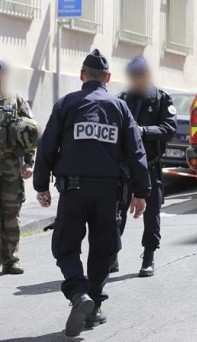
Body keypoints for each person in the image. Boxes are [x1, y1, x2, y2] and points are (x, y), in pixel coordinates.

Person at [33, 49, 150, 337]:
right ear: (108, 78)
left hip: (72, 189)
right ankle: (94, 305)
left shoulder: (66, 104)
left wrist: (41, 186)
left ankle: (78, 293)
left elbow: (46, 146)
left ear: (82, 75)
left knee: (66, 246)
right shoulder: (120, 108)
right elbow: (136, 152)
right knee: (103, 248)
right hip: (109, 193)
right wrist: (141, 192)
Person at [114, 55, 176, 277]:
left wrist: (144, 131)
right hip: (125, 168)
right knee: (116, 213)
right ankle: (113, 254)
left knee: (151, 215)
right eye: (133, 76)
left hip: (149, 166)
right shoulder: (121, 99)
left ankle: (148, 257)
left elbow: (169, 129)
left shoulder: (160, 99)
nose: (136, 80)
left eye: (140, 75)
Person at [0, 58, 38, 274]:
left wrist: (29, 162)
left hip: (11, 167)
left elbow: (30, 132)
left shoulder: (16, 99)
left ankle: (11, 260)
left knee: (11, 214)